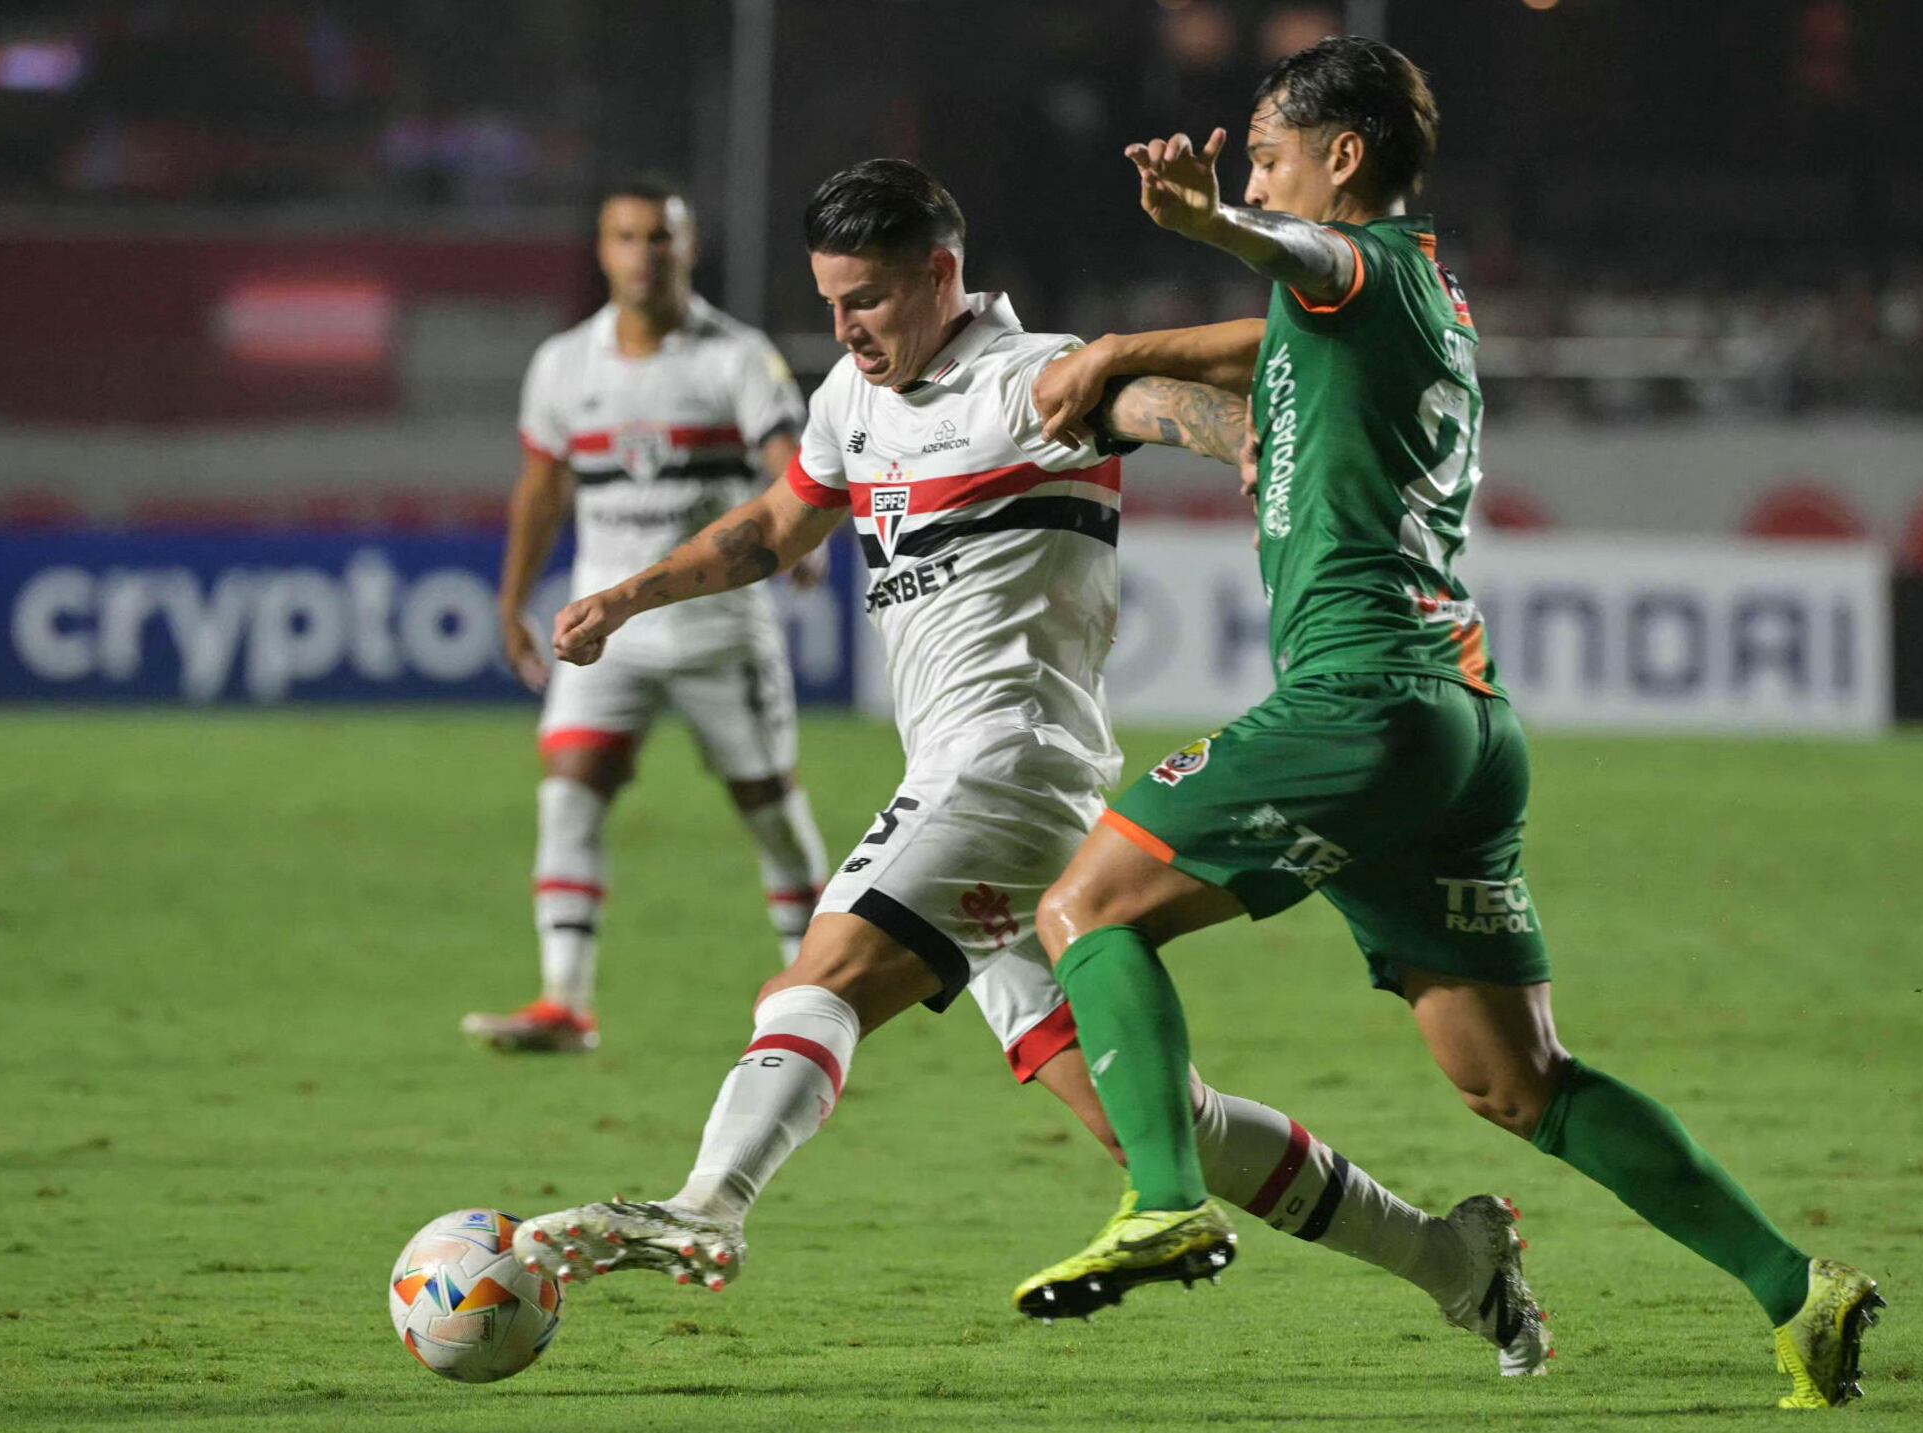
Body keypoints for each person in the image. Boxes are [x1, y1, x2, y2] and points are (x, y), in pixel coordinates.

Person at [510, 158, 1550, 1375]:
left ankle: (708, 1201)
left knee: (820, 975)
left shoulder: (1027, 379)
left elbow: (1162, 406)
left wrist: (1241, 440)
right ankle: (1450, 1257)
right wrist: (627, 596)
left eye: (869, 301)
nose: (847, 330)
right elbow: (777, 526)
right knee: (1160, 1122)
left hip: (1001, 770)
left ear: (940, 275)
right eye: (831, 302)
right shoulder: (852, 394)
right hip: (1019, 798)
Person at [1014, 37, 1883, 1411]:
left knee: (1087, 911)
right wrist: (1122, 353)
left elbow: (1306, 270)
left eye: (1268, 150)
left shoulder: (1367, 266)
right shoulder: (1419, 305)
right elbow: (1280, 331)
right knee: (1513, 1079)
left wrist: (1210, 226)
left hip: (1360, 701)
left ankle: (1166, 1198)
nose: (1250, 167)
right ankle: (1800, 1291)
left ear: (1343, 160)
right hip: (1455, 726)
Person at [461, 174, 832, 1053]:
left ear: (687, 246)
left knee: (769, 807)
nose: (642, 254)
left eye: (658, 237)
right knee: (569, 795)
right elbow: (542, 489)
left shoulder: (735, 357)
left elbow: (789, 455)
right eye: (625, 237)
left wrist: (802, 535)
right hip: (603, 630)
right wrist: (512, 601)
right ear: (602, 251)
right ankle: (564, 1001)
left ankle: (819, 990)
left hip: (716, 626)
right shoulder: (563, 364)